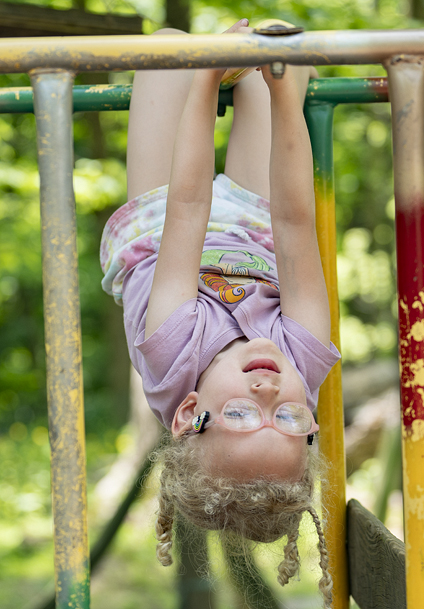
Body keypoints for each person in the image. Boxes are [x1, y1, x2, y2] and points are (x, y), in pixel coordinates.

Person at [99, 20, 339, 606]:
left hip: (160, 227)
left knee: (167, 48)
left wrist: (205, 77)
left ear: (188, 413)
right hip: (257, 232)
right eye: (286, 419)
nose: (267, 390)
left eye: (238, 412)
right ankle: (261, 73)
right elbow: (295, 220)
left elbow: (186, 207)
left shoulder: (170, 350)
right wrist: (289, 101)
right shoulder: (303, 362)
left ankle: (207, 61)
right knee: (281, 68)